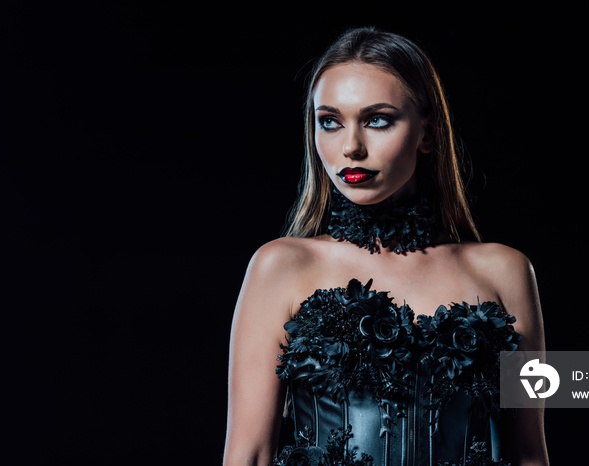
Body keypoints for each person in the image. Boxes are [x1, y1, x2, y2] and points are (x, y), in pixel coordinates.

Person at [223, 26, 548, 466]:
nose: (351, 147)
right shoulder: (279, 266)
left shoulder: (504, 272)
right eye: (330, 122)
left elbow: (528, 454)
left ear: (427, 134)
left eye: (377, 119)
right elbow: (249, 455)